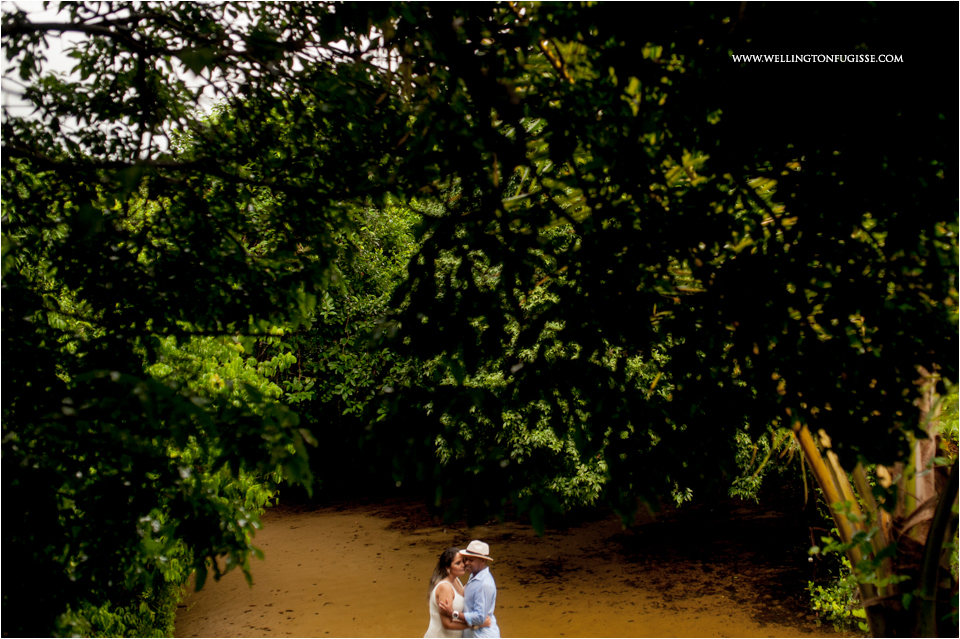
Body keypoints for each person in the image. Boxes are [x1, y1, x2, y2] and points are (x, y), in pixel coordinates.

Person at [423, 547, 492, 638]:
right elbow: (447, 624)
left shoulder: (456, 580)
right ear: (447, 567)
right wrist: (477, 625)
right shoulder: (445, 587)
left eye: (462, 561)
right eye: (458, 563)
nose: (463, 565)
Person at [440, 540, 499, 638]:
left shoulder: (484, 584)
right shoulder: (473, 575)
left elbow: (479, 618)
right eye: (465, 559)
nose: (466, 563)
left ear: (483, 561)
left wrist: (453, 613)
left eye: (471, 560)